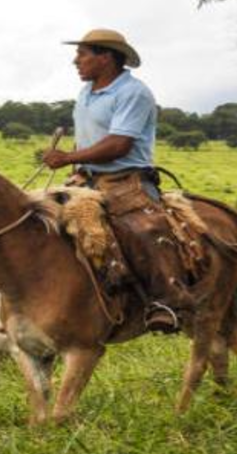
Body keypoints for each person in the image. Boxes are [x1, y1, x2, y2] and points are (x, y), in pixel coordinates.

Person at [42, 29, 193, 334]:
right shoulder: (86, 93)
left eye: (82, 54)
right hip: (87, 178)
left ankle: (165, 301)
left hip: (128, 179)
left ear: (106, 57)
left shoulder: (134, 93)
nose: (75, 61)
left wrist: (69, 159)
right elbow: (90, 138)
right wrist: (76, 164)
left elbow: (118, 145)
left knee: (144, 230)